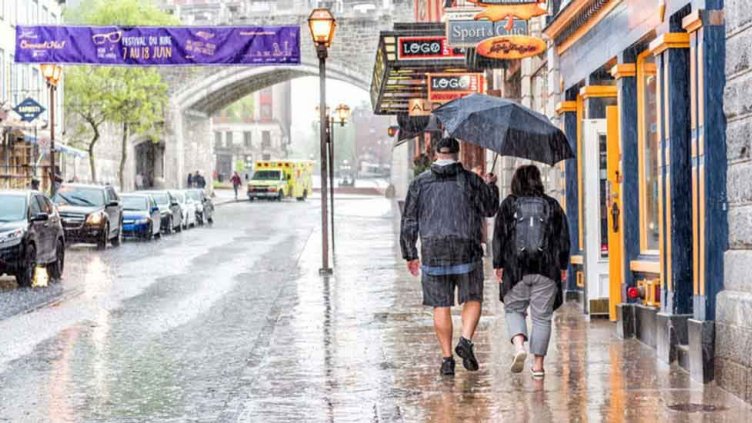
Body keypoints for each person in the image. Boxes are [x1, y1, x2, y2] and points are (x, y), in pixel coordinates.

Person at [400, 137, 499, 376]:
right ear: (458, 154)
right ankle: (465, 340)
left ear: (436, 155)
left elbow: (409, 220)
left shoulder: (419, 183)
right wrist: (490, 186)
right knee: (472, 297)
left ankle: (446, 360)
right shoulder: (471, 180)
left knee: (440, 304)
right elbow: (490, 208)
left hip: (434, 250)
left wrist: (410, 253)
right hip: (467, 247)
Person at [492, 165, 570, 379]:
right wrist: (562, 265)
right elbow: (563, 239)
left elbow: (498, 236)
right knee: (542, 318)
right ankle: (538, 367)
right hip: (546, 268)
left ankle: (519, 346)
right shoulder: (552, 205)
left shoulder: (509, 204)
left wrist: (498, 264)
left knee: (514, 310)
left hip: (515, 268)